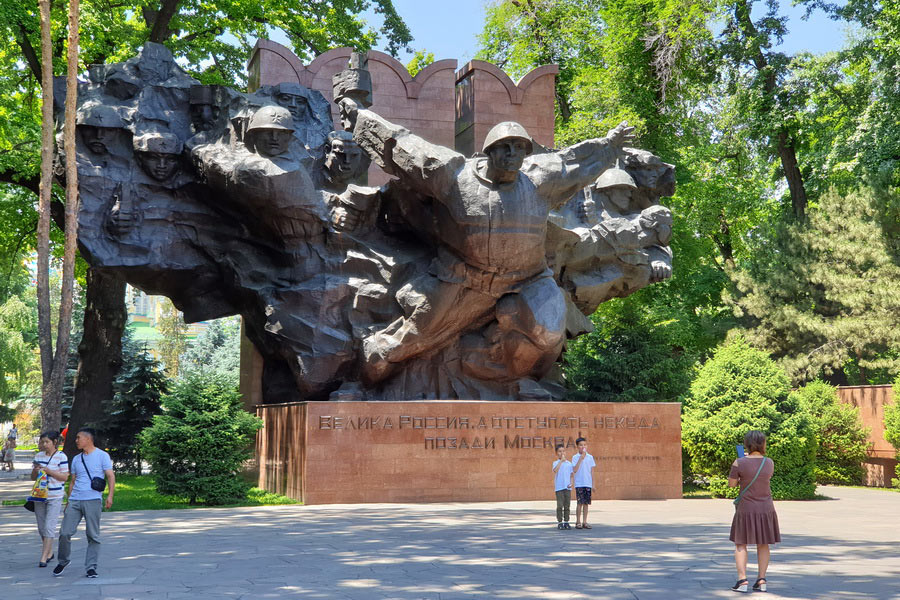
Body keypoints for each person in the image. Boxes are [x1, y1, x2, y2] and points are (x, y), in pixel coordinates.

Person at [340, 98, 635, 385]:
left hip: (529, 279)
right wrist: (359, 119)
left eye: (520, 148)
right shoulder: (453, 175)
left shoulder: (539, 178)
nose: (513, 154)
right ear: (488, 152)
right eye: (505, 147)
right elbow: (400, 144)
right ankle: (358, 378)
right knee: (407, 341)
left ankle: (500, 369)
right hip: (465, 280)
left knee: (549, 332)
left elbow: (573, 162)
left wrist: (609, 145)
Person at [54, 428, 115, 579]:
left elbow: (110, 476)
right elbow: (73, 481)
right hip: (75, 500)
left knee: (93, 535)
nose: (76, 440)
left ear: (88, 439)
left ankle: (91, 567)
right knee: (65, 533)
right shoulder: (76, 459)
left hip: (93, 500)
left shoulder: (102, 455)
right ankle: (63, 561)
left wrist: (110, 496)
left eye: (78, 438)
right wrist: (69, 500)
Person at [728, 430, 780, 593]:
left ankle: (742, 580)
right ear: (763, 444)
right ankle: (761, 580)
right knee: (763, 543)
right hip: (766, 508)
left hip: (746, 508)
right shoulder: (769, 462)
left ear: (747, 444)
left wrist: (741, 464)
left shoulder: (739, 462)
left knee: (741, 543)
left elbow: (732, 484)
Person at [31, 431, 69, 567]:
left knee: (49, 527)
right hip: (40, 496)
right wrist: (36, 471)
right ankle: (50, 551)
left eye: (47, 442)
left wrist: (49, 471)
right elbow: (32, 477)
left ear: (54, 442)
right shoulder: (38, 456)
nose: (44, 445)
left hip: (55, 496)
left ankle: (43, 557)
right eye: (42, 442)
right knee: (41, 527)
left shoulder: (61, 457)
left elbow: (65, 477)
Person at [571, 437, 596, 529]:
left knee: (586, 503)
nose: (583, 447)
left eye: (584, 445)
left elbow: (592, 471)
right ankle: (578, 521)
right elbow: (574, 469)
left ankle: (585, 522)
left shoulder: (590, 457)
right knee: (580, 503)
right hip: (579, 483)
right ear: (577, 446)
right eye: (581, 445)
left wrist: (593, 485)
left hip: (587, 483)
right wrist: (580, 459)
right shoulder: (575, 457)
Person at [552, 444, 574, 530]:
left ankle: (566, 522)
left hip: (567, 487)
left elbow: (572, 475)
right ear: (556, 453)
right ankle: (560, 522)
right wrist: (561, 461)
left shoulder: (569, 464)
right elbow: (555, 470)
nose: (562, 453)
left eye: (563, 451)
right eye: (560, 451)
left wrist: (571, 483)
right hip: (559, 487)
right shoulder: (555, 463)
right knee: (560, 505)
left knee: (567, 505)